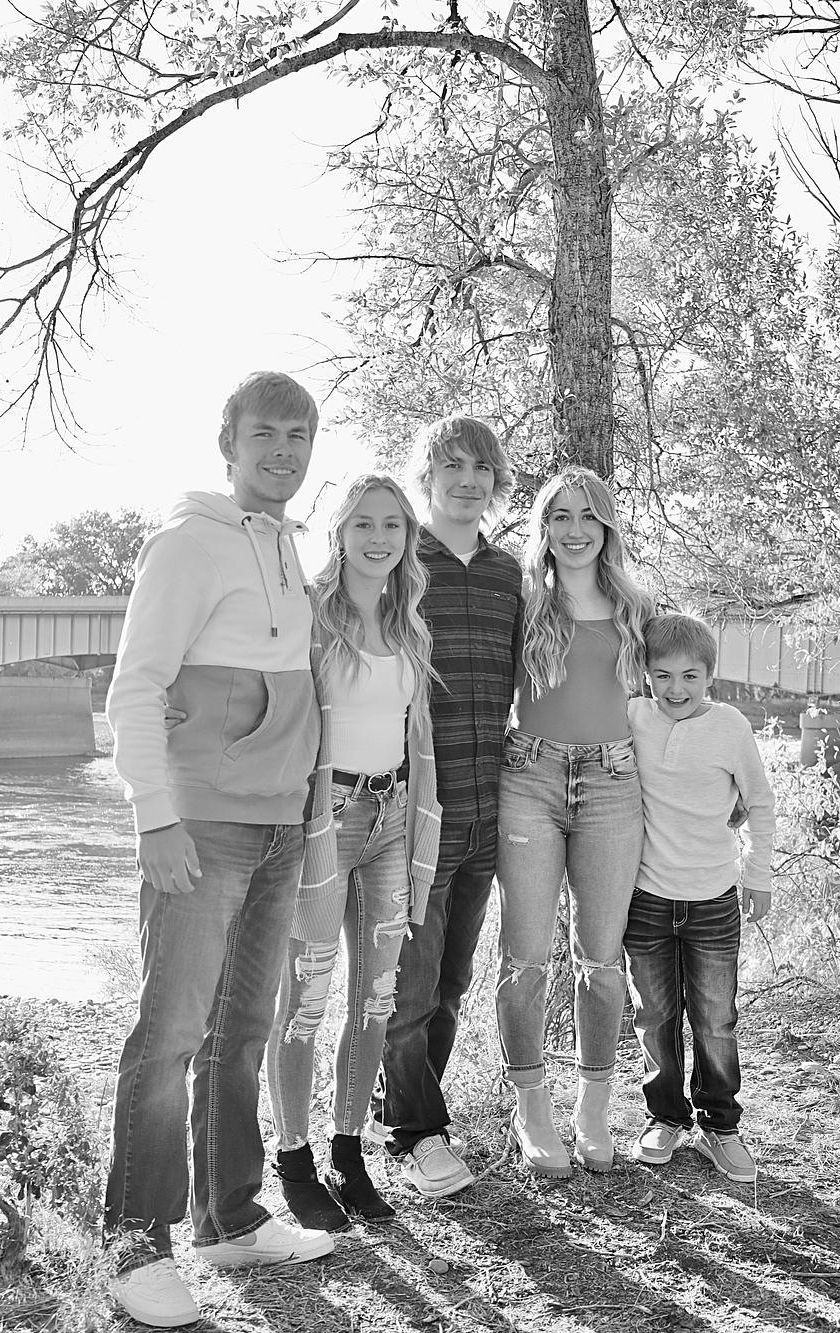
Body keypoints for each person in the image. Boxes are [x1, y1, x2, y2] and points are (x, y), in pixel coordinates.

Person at [104, 371, 334, 1330]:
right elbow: (135, 686)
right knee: (170, 1035)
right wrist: (154, 816)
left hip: (279, 823)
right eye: (264, 433)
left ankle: (229, 1216)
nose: (282, 451)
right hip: (200, 826)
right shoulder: (189, 543)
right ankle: (134, 1243)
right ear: (228, 443)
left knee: (241, 1030)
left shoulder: (287, 545)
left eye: (298, 435)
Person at [264, 474, 442, 1231]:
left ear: (407, 537)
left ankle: (348, 1150)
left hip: (392, 816)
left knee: (376, 999)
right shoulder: (309, 614)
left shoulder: (410, 625)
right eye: (363, 524)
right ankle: (294, 1159)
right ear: (339, 533)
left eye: (392, 525)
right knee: (305, 999)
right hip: (325, 820)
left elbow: (415, 734)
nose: (378, 538)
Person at [371, 415, 521, 1199]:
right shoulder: (401, 562)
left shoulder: (509, 574)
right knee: (411, 984)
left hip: (488, 812)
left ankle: (395, 1105)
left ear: (496, 482)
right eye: (451, 466)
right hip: (418, 811)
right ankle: (417, 1133)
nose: (467, 480)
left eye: (481, 468)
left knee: (453, 980)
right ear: (427, 477)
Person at [494, 467, 655, 1177]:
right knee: (525, 955)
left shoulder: (636, 607)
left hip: (613, 784)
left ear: (607, 525)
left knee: (602, 959)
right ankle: (531, 1105)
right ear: (544, 528)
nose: (575, 529)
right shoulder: (525, 601)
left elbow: (667, 702)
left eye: (588, 515)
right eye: (560, 515)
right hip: (529, 778)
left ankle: (594, 1105)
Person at [623, 612, 775, 1184]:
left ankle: (720, 1125)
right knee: (654, 1017)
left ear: (710, 675)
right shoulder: (632, 717)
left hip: (712, 898)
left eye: (690, 676)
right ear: (645, 674)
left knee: (715, 1020)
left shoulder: (730, 726)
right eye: (662, 675)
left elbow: (759, 803)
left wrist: (758, 876)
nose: (676, 689)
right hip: (646, 898)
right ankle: (665, 1116)